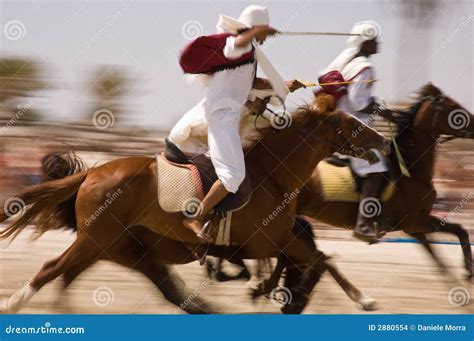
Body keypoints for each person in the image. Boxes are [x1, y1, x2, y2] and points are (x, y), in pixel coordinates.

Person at [169, 5, 305, 240]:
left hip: (225, 116)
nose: (264, 39)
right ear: (255, 28)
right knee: (232, 176)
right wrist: (257, 31)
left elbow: (250, 84)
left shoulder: (247, 54)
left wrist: (283, 84)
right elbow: (234, 46)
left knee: (229, 169)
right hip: (223, 117)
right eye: (261, 32)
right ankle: (196, 216)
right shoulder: (238, 45)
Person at [321, 21, 389, 242]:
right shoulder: (364, 67)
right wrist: (380, 107)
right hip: (352, 128)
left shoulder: (348, 63)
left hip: (339, 126)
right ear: (365, 43)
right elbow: (358, 101)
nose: (378, 43)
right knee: (376, 167)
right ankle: (363, 224)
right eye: (373, 40)